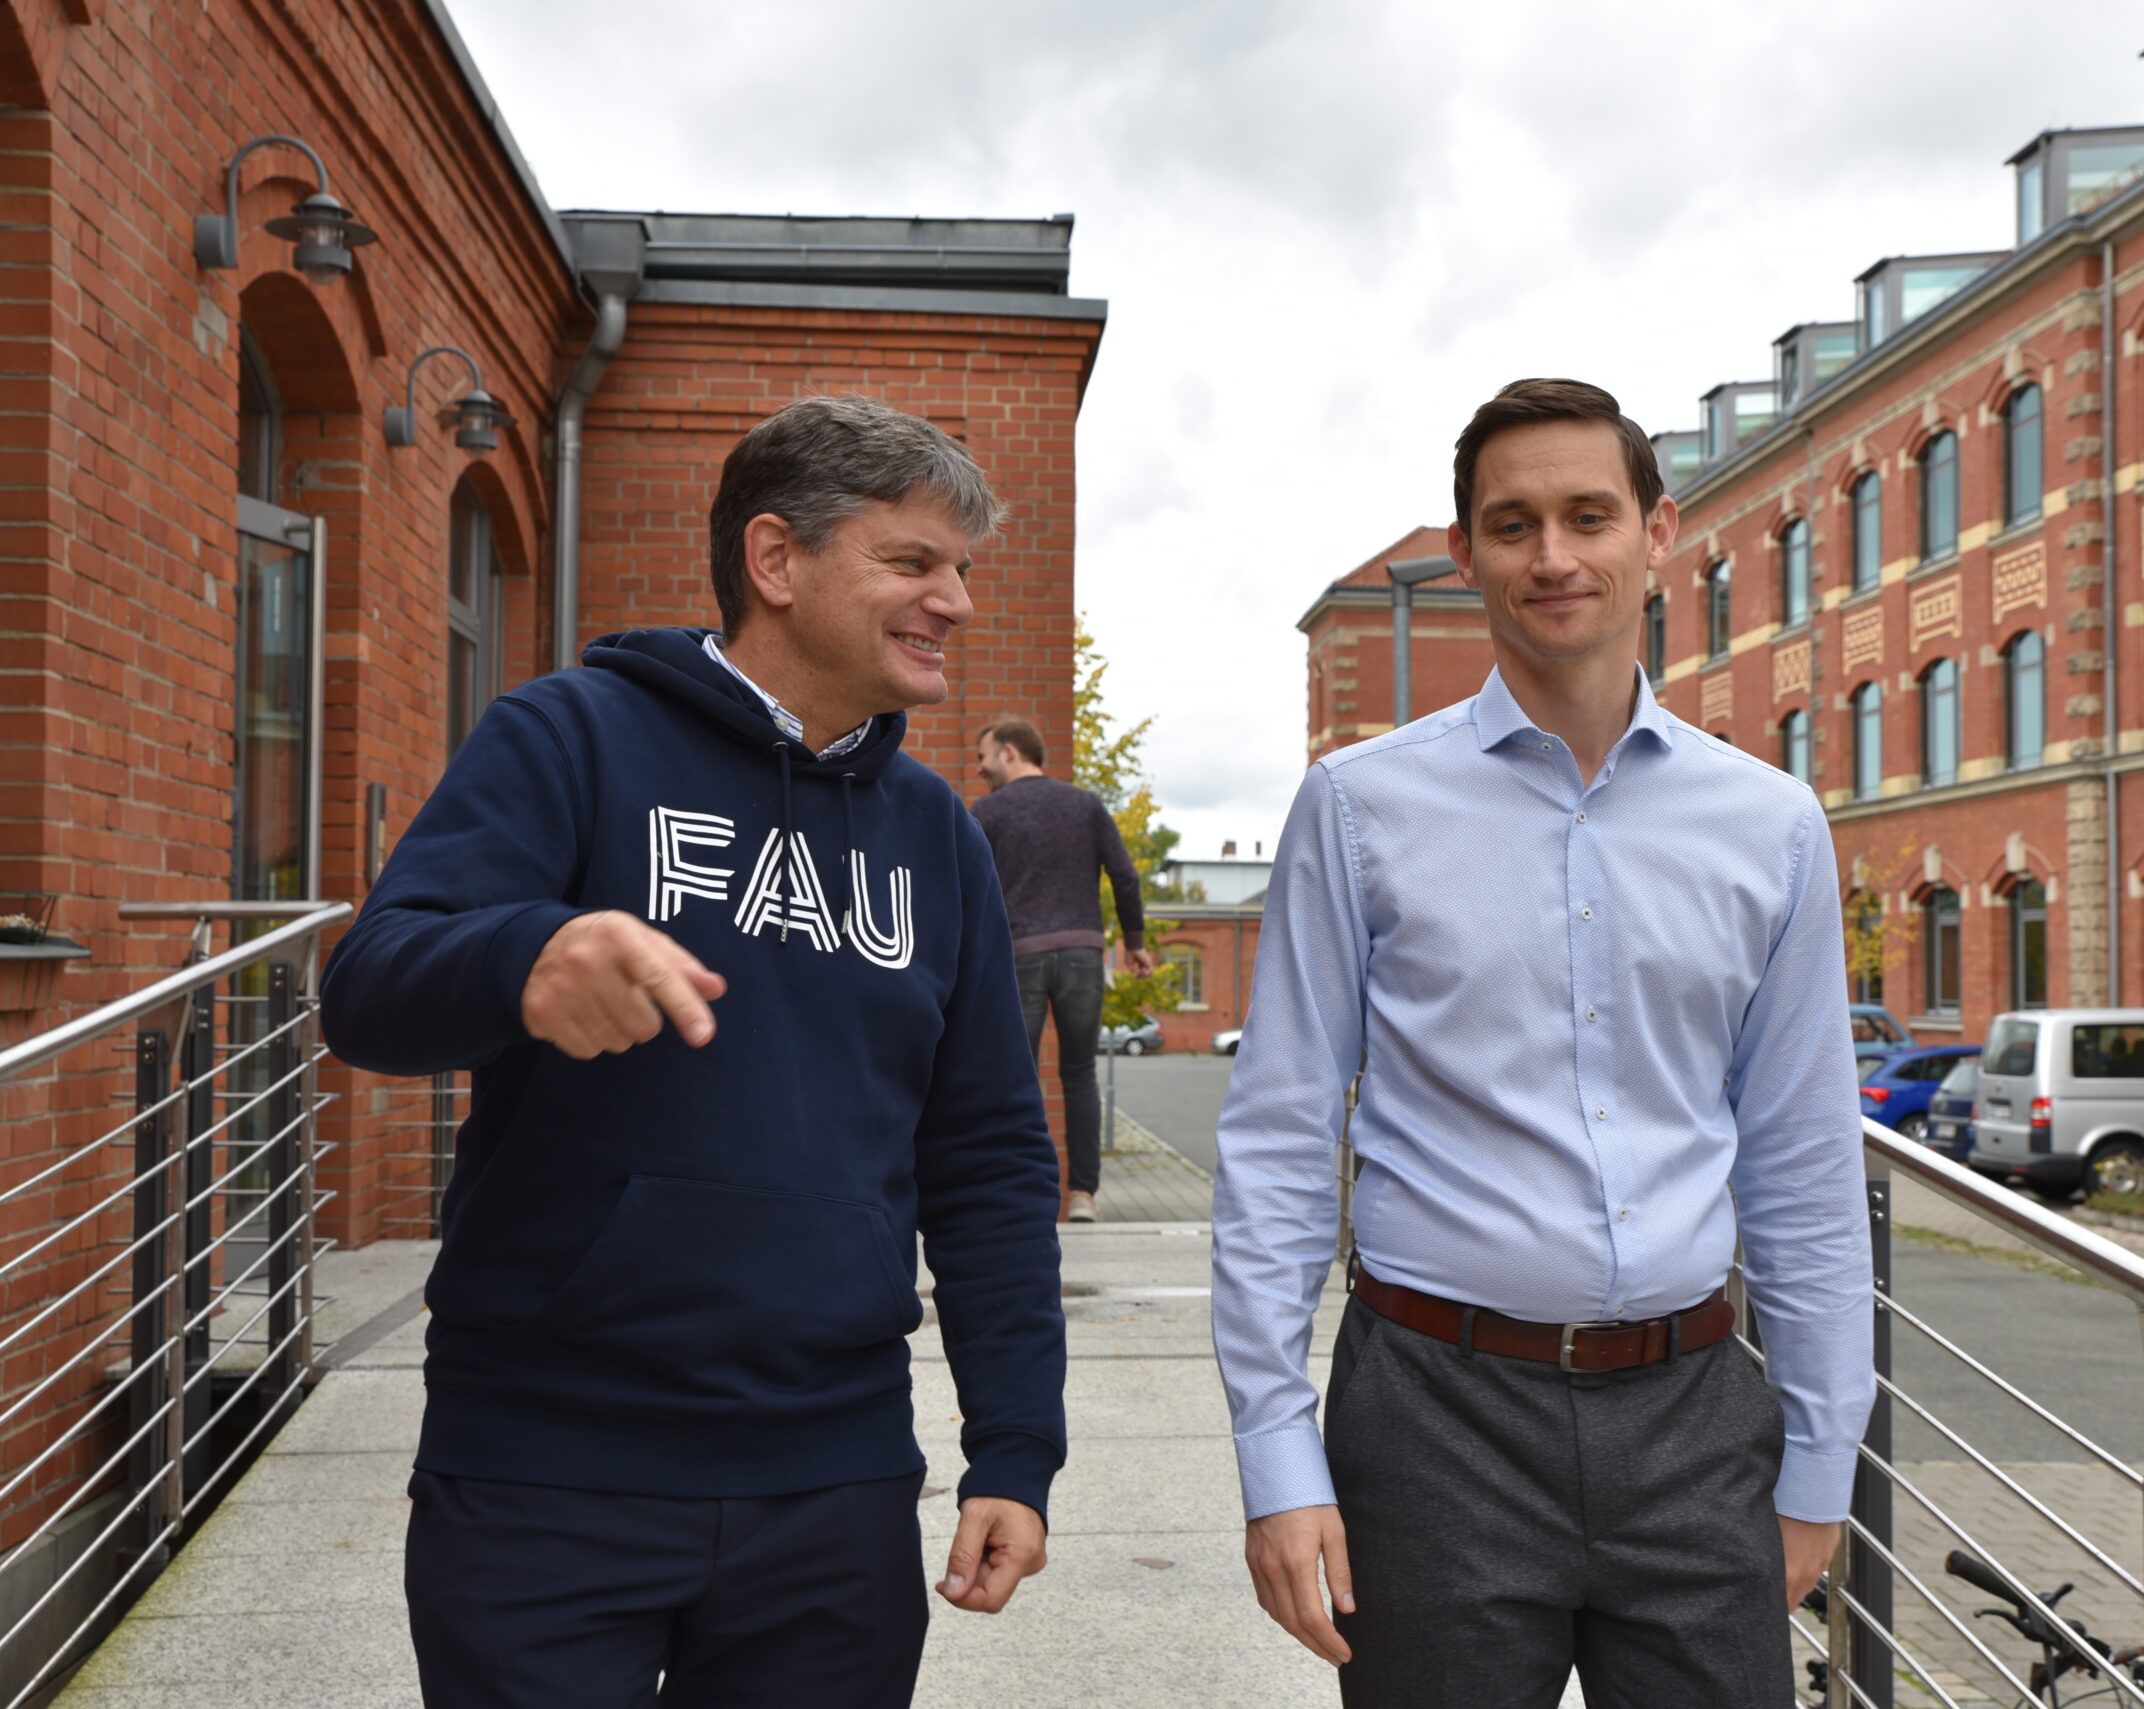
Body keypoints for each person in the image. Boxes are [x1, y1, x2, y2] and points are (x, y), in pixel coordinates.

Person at [320, 395, 1066, 1708]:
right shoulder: (569, 739)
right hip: (547, 1475)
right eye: (913, 563)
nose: (954, 600)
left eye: (963, 570)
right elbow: (368, 992)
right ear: (777, 561)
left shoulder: (938, 835)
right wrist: (526, 959)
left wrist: (1014, 1448)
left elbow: (990, 1157)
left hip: (832, 1490)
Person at [1211, 378, 1874, 1707]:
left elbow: (1802, 1159)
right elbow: (1280, 1139)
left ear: (1658, 531)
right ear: (1465, 556)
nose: (1555, 556)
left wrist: (1820, 1461)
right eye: (1512, 524)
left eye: (1589, 515)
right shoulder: (1357, 809)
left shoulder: (1772, 824)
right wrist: (1278, 1463)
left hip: (1694, 1416)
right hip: (1432, 1420)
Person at [973, 718, 1154, 1223]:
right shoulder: (1085, 805)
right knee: (1078, 1074)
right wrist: (1135, 943)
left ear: (1009, 752)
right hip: (1081, 955)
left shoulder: (986, 812)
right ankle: (1082, 1197)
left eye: (984, 755)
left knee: (1018, 1076)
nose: (979, 767)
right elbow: (1124, 874)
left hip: (1019, 956)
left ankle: (1022, 1193)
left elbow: (968, 888)